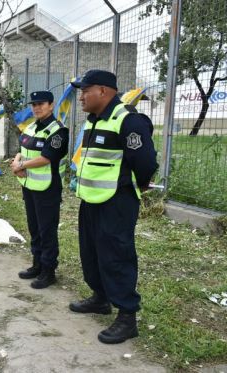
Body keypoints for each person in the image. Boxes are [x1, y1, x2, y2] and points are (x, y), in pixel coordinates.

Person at [69, 70, 158, 344]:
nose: (81, 97)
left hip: (117, 202)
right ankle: (100, 297)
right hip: (92, 199)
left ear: (104, 91)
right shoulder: (94, 121)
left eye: (85, 90)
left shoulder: (129, 121)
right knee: (92, 251)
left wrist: (135, 185)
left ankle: (127, 316)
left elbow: (146, 164)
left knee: (116, 255)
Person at [11, 91, 69, 290]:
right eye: (34, 104)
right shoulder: (31, 127)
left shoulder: (58, 131)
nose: (36, 107)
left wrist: (22, 166)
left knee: (47, 231)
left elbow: (46, 158)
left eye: (41, 103)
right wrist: (16, 162)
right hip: (29, 186)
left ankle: (48, 271)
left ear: (51, 105)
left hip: (48, 189)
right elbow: (21, 148)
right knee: (34, 228)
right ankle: (37, 265)